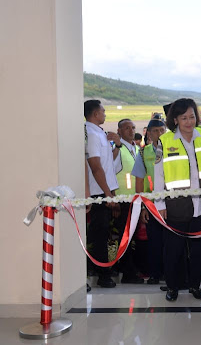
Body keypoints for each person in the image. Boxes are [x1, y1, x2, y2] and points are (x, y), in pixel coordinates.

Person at [154, 98, 201, 302]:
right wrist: (160, 204)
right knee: (173, 250)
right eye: (184, 118)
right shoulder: (165, 141)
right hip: (176, 205)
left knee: (200, 251)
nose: (189, 122)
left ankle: (195, 286)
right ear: (175, 120)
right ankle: (172, 287)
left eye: (192, 116)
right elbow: (159, 176)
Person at [84, 100, 120, 288]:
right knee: (98, 235)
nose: (105, 114)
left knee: (102, 233)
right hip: (98, 193)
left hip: (104, 191)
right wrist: (107, 194)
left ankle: (101, 269)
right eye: (103, 111)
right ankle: (101, 274)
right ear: (96, 113)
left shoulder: (99, 133)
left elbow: (107, 164)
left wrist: (118, 144)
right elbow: (96, 167)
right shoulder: (90, 133)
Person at [132, 115, 166, 284]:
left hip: (172, 202)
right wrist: (143, 207)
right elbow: (139, 181)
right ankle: (155, 273)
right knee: (154, 240)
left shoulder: (174, 148)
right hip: (152, 204)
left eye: (162, 130)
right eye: (155, 131)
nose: (159, 134)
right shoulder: (144, 152)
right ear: (149, 134)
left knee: (172, 241)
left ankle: (172, 272)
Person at [112, 118, 144, 284]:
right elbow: (110, 171)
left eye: (133, 127)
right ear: (119, 131)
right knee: (125, 237)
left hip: (135, 199)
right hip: (122, 199)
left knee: (132, 237)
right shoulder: (117, 148)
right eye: (126, 128)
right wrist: (114, 198)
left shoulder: (136, 148)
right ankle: (127, 272)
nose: (131, 131)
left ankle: (131, 268)